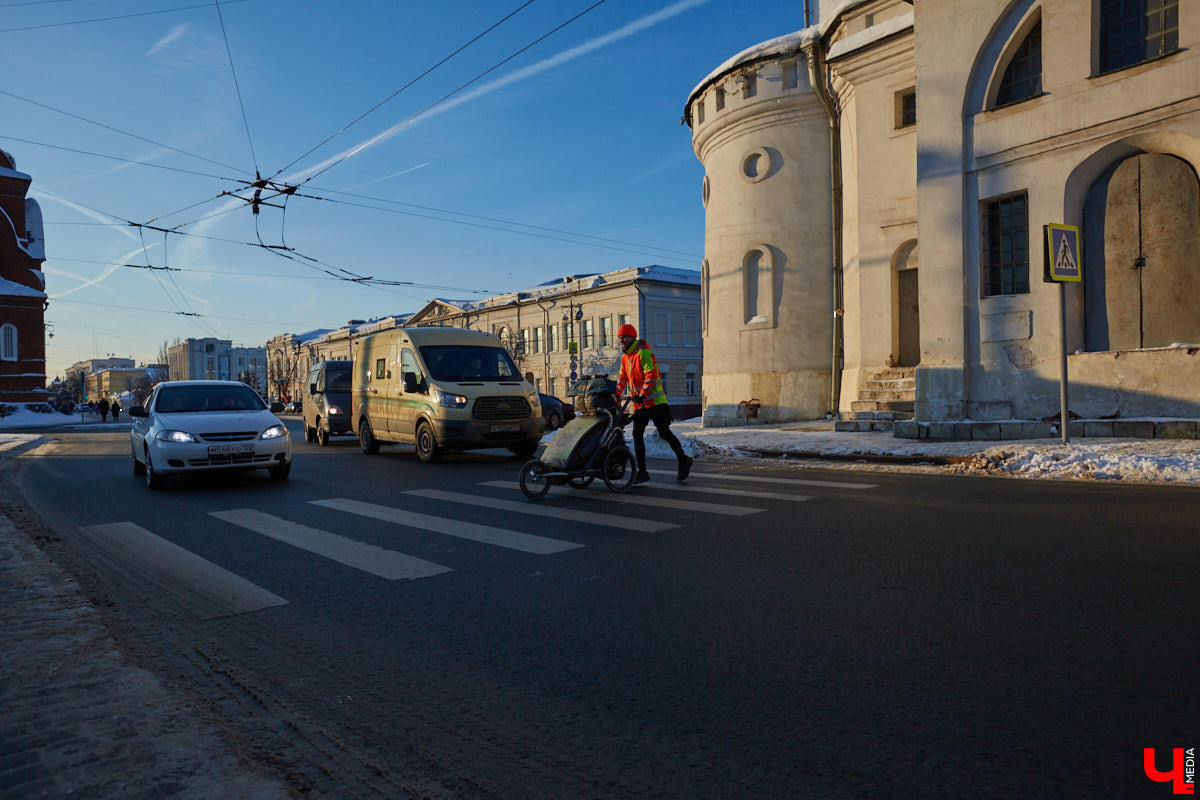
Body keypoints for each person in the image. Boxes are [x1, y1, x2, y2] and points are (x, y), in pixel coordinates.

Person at [615, 323, 693, 483]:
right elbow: (622, 378)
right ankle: (642, 472)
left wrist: (642, 394)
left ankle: (683, 459)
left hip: (656, 402)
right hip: (640, 404)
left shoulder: (643, 353)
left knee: (664, 432)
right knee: (637, 435)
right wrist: (616, 394)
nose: (621, 340)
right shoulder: (625, 357)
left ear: (632, 337)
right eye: (620, 338)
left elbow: (651, 376)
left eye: (624, 337)